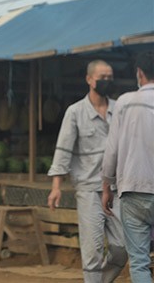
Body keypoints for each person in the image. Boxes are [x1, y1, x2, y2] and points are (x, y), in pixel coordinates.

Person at [47, 60, 127, 283]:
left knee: (122, 247)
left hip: (116, 190)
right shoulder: (75, 112)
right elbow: (63, 150)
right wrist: (56, 188)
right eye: (102, 77)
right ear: (89, 79)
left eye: (110, 77)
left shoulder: (118, 109)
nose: (106, 81)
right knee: (93, 250)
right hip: (89, 191)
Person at [102, 51, 154, 283]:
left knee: (140, 261)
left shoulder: (124, 102)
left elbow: (111, 150)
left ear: (139, 74)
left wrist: (106, 186)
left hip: (132, 190)